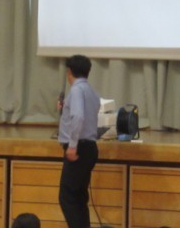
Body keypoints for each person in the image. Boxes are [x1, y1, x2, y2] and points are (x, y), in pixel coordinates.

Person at [56, 54, 101, 228]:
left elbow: (79, 116)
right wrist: (65, 107)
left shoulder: (76, 90)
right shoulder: (91, 91)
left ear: (69, 72)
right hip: (89, 148)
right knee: (79, 197)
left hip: (79, 149)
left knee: (67, 197)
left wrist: (72, 146)